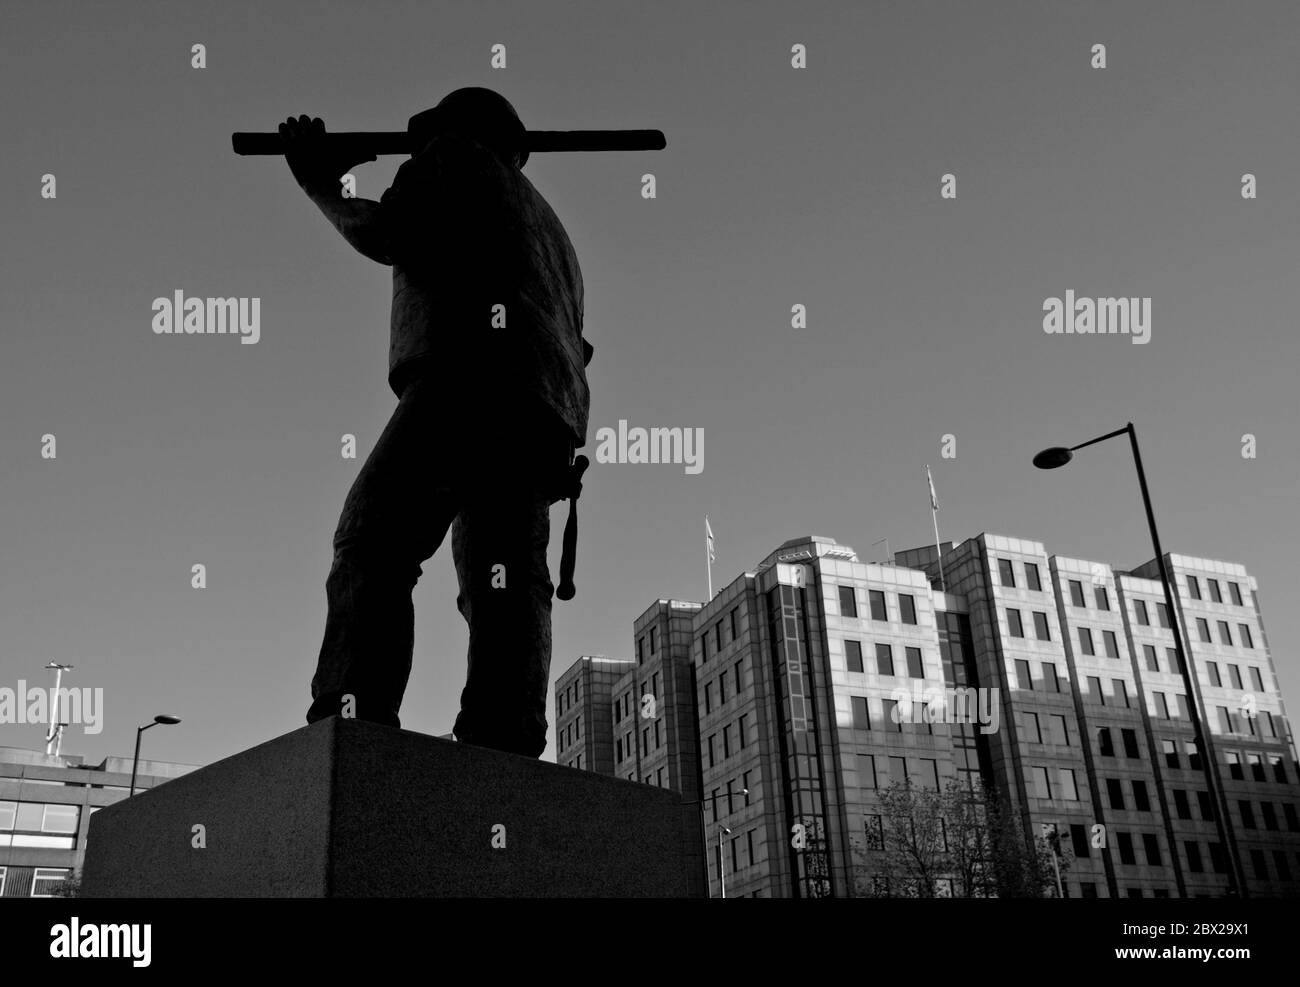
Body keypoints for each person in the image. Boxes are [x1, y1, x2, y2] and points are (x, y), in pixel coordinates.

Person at [280, 87, 592, 758]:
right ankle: (505, 742)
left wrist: (320, 186)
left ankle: (351, 720)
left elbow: (389, 233)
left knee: (373, 541)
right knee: (505, 580)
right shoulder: (556, 235)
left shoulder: (454, 157)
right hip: (538, 417)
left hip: (464, 381)